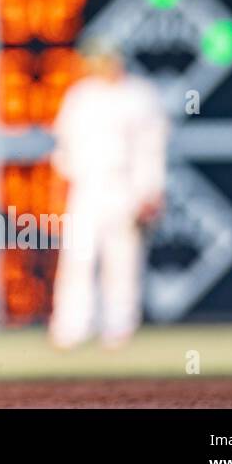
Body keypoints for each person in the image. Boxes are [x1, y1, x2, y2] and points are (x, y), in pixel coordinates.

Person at [48, 37, 167, 350]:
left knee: (122, 260)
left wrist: (150, 191)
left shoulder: (139, 95)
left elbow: (151, 149)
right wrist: (61, 187)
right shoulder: (81, 97)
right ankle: (70, 328)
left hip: (124, 187)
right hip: (86, 186)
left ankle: (119, 328)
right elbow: (64, 147)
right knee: (77, 258)